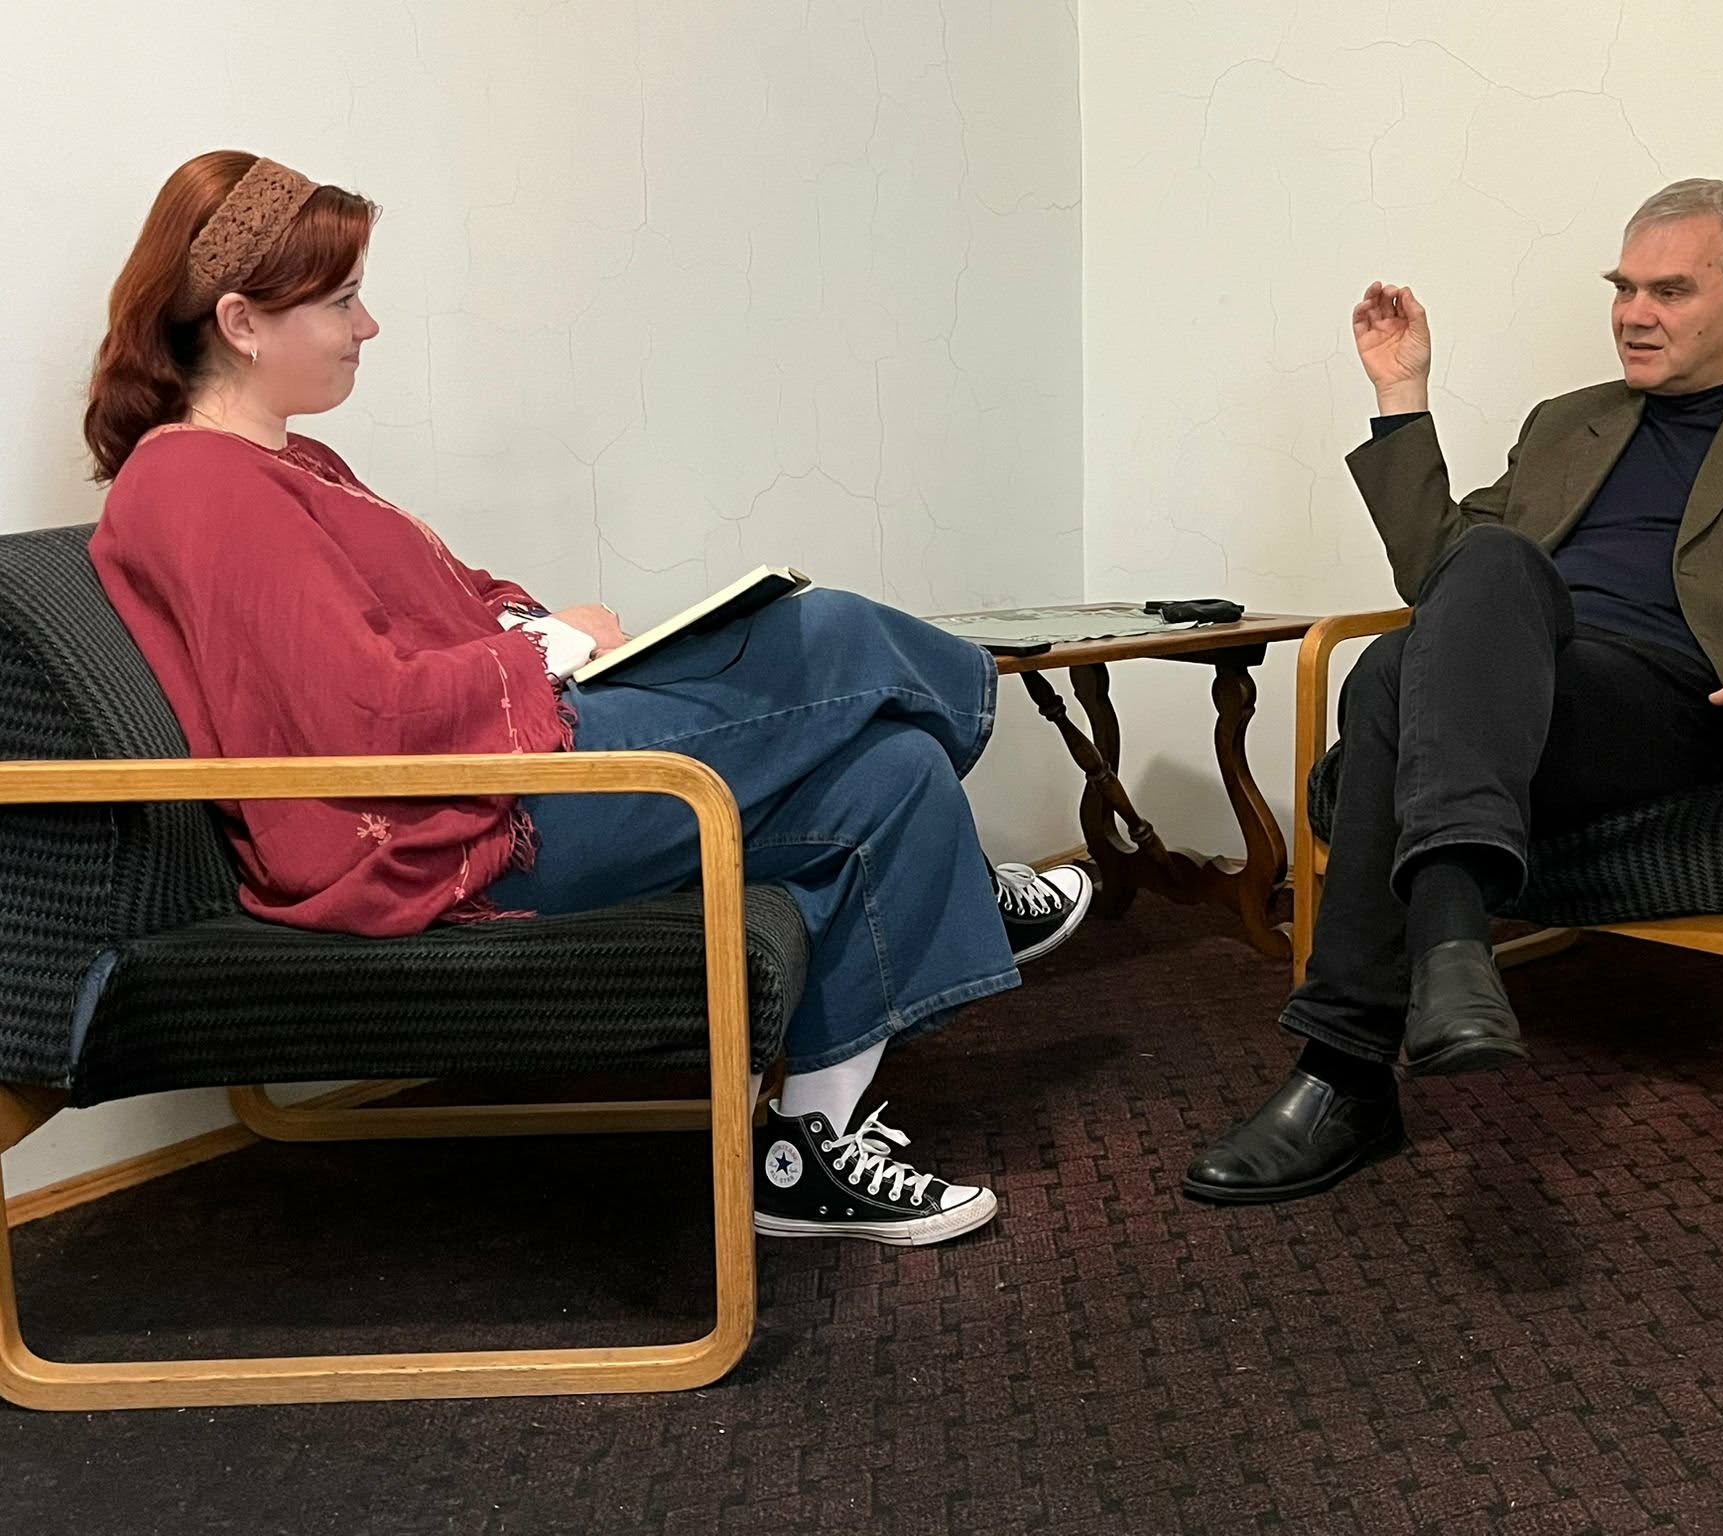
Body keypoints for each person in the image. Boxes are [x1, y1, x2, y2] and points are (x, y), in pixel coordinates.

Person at [85, 151, 1094, 1248]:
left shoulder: (296, 461)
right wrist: (555, 646)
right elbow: (358, 711)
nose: (366, 326)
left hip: (506, 768)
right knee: (827, 633)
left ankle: (806, 1154)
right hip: (452, 827)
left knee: (895, 771)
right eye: (341, 300)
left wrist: (541, 629)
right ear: (240, 320)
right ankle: (967, 870)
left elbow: (455, 595)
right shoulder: (194, 482)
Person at [1183, 178, 1723, 1205]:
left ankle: (1349, 1067)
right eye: (1622, 287)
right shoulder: (1567, 421)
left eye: (1670, 291)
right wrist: (1401, 397)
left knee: (1392, 671)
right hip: (1516, 699)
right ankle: (1428, 972)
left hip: (1685, 709)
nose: (1633, 314)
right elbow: (1438, 572)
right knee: (1437, 618)